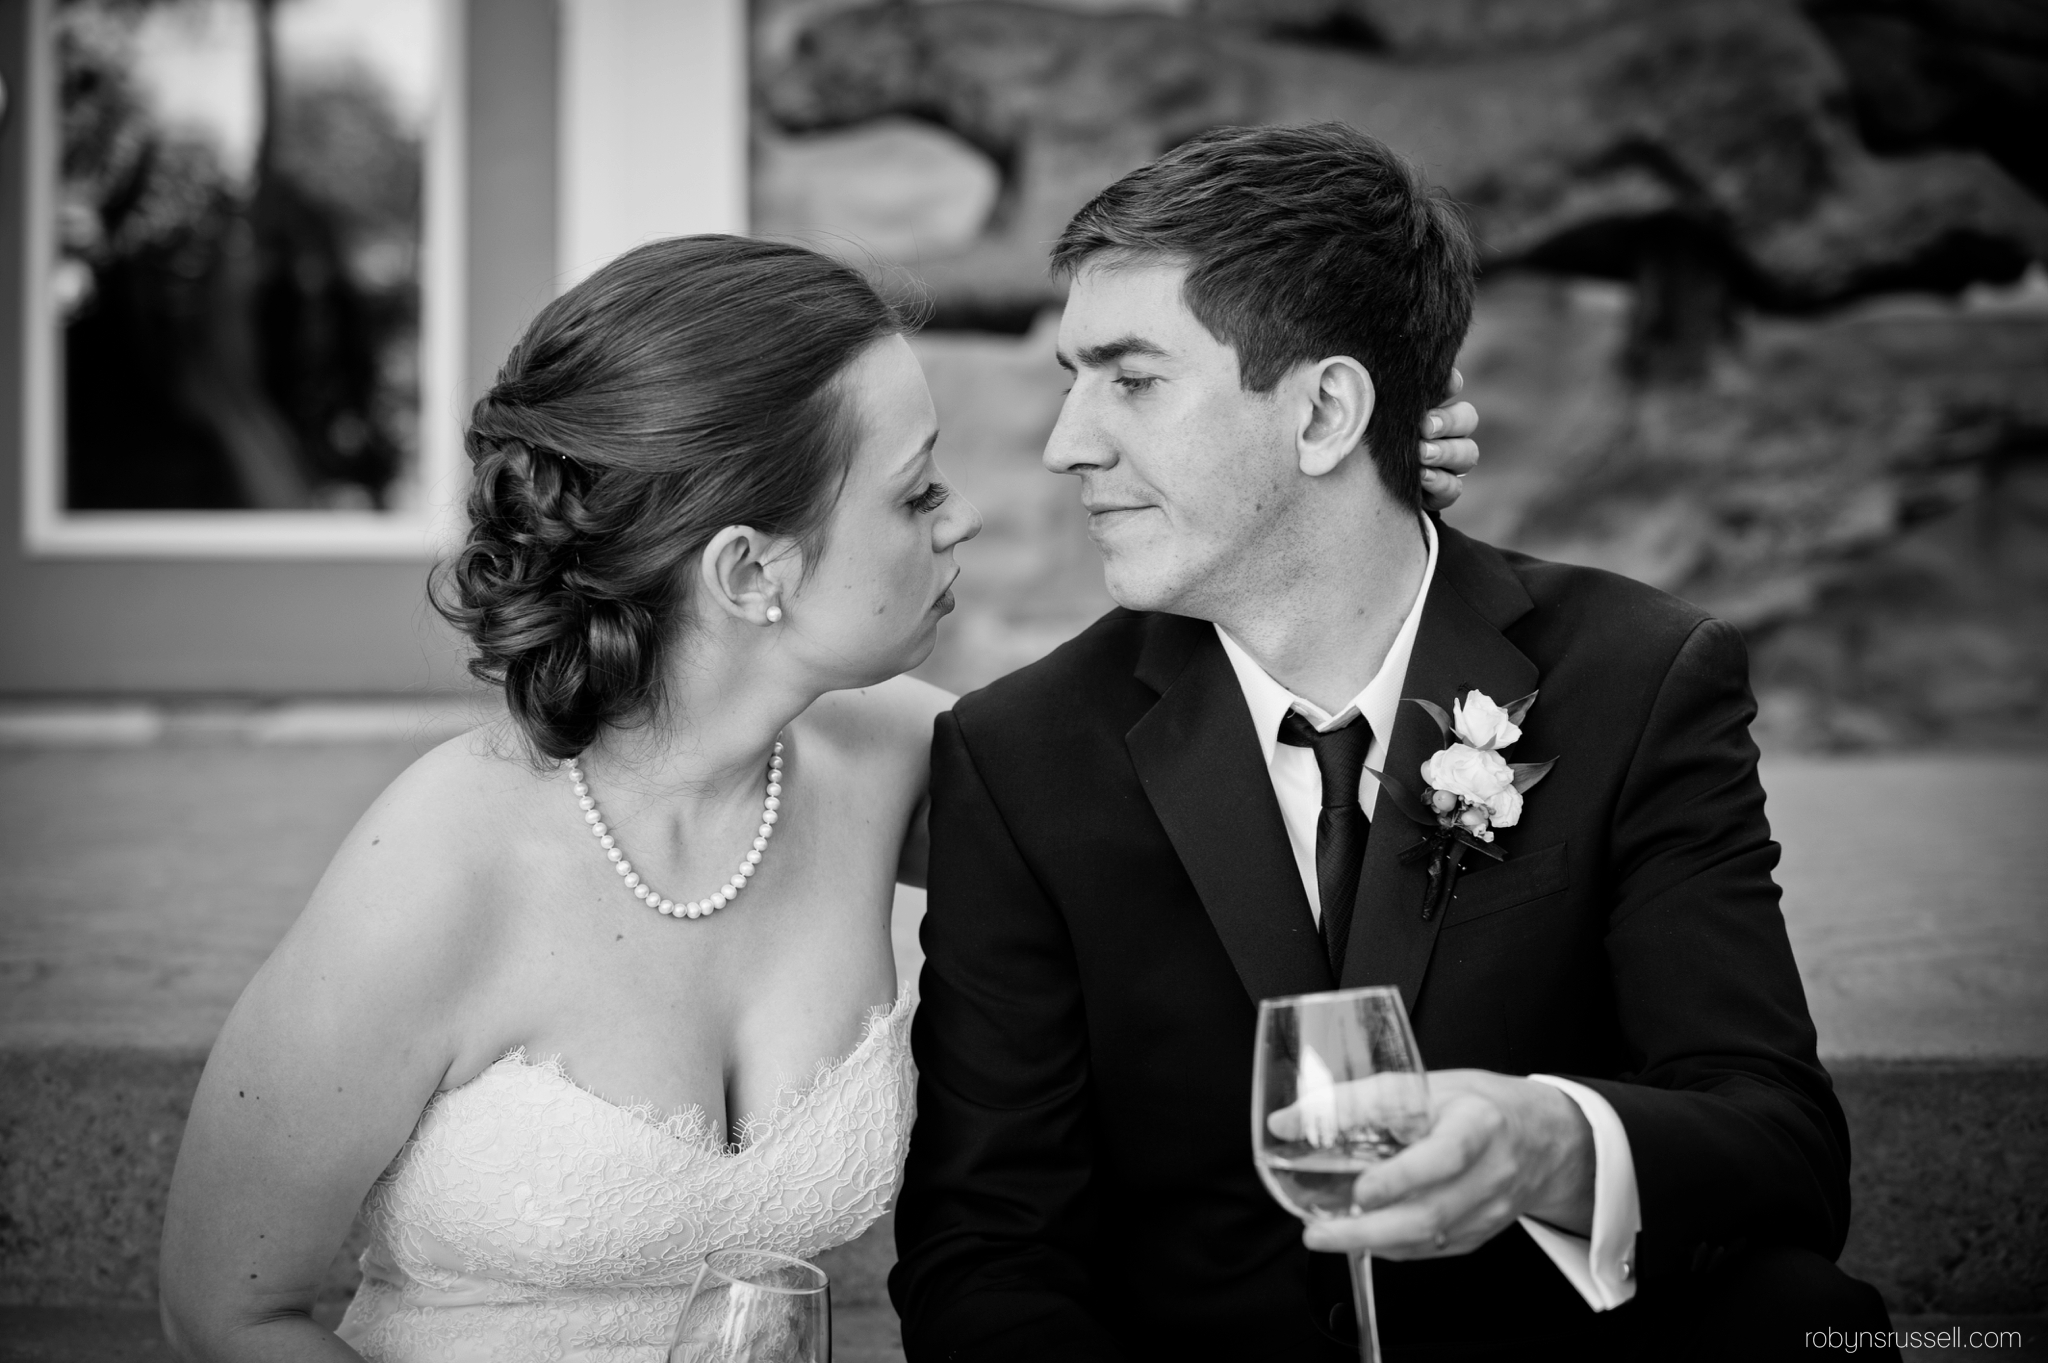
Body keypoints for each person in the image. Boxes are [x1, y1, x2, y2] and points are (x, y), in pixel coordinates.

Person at [157, 234, 1481, 1361]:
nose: (958, 522)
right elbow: (227, 1304)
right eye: (914, 493)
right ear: (750, 572)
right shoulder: (439, 860)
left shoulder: (897, 765)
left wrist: (1322, 505)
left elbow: (1182, 782)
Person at [889, 124, 1896, 1361]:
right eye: (1071, 377)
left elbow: (1777, 1149)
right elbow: (990, 1247)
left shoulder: (1634, 680)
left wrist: (1548, 1140)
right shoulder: (1024, 753)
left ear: (1323, 410)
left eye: (1131, 378)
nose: (1067, 442)